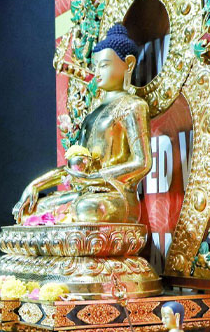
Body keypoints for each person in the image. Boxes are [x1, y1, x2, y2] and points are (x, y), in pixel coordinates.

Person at [12, 23, 151, 225]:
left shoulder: (133, 106)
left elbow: (142, 163)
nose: (97, 72)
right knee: (32, 210)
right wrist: (35, 185)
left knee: (86, 208)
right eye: (95, 66)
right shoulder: (93, 114)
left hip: (115, 197)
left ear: (128, 64)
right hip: (86, 192)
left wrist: (96, 177)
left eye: (104, 65)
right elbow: (75, 169)